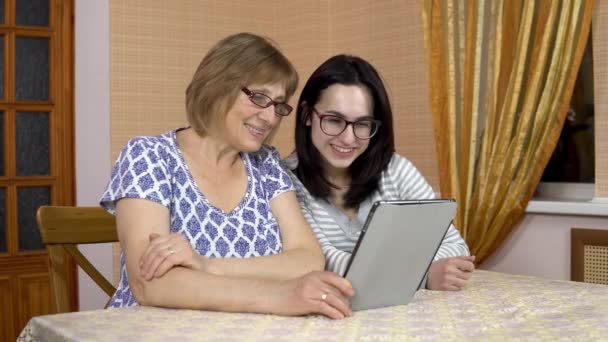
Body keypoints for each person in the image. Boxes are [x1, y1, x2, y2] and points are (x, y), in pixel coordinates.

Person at [100, 33, 353, 319]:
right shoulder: (148, 156)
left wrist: (207, 265)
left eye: (278, 105)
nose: (270, 118)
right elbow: (152, 285)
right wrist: (280, 294)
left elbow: (308, 259)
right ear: (217, 87)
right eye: (259, 98)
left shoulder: (266, 163)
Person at [283, 55, 475, 291]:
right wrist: (424, 274)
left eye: (362, 124)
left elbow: (454, 245)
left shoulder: (395, 171)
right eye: (334, 120)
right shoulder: (284, 182)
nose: (348, 138)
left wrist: (403, 270)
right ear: (306, 115)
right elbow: (322, 262)